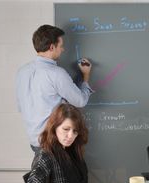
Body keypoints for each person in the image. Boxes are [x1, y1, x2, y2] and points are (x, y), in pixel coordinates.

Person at [16, 25, 93, 162]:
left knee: (44, 181)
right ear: (52, 47)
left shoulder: (22, 72)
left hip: (34, 142)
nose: (62, 49)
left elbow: (21, 107)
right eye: (60, 45)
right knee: (61, 182)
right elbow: (80, 101)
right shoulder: (56, 74)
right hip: (53, 143)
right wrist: (86, 76)